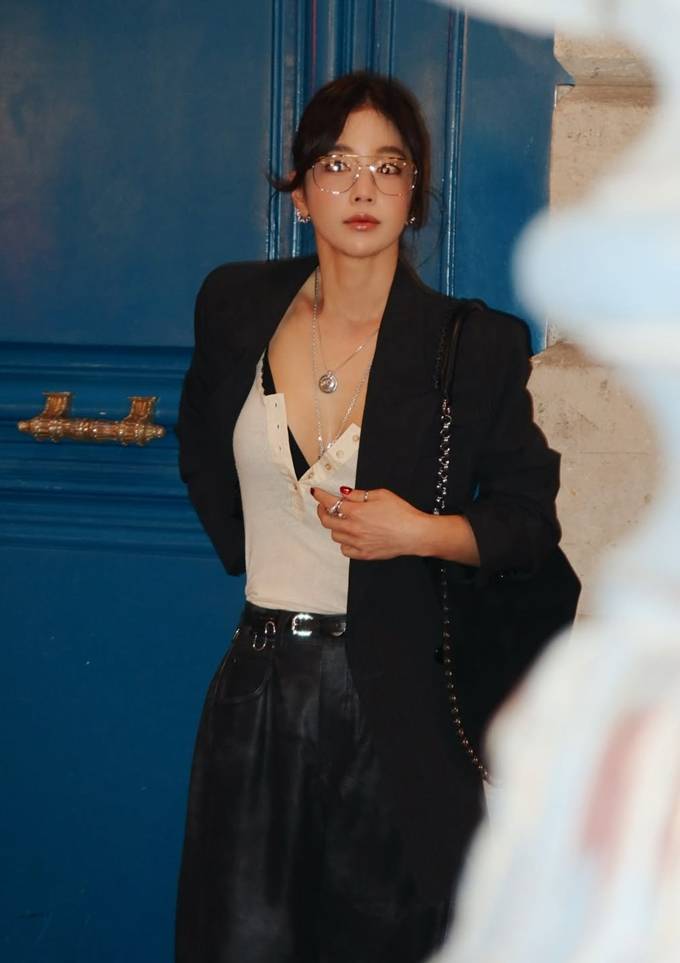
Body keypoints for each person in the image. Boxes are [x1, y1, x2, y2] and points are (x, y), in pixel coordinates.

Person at [174, 71, 563, 963]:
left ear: (414, 194)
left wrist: (418, 532)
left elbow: (528, 521)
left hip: (399, 698)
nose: (362, 188)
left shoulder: (471, 343)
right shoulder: (233, 307)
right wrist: (254, 548)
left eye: (388, 167)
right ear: (301, 191)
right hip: (259, 689)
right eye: (337, 164)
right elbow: (199, 444)